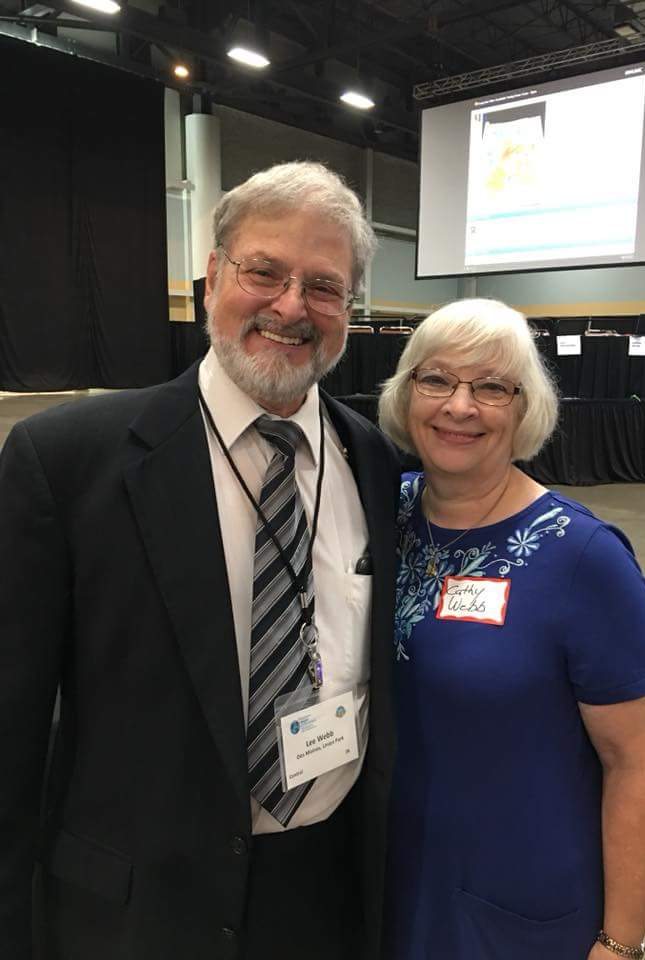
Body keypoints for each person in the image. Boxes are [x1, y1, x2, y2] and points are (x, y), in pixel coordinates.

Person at [0, 161, 400, 960]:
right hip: (137, 909)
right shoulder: (67, 460)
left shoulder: (374, 460)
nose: (291, 306)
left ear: (350, 309)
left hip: (327, 894)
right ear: (213, 276)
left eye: (324, 286)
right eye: (264, 272)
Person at [378, 299, 645, 960]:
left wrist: (620, 945)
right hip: (393, 881)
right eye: (436, 379)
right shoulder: (382, 514)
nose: (459, 406)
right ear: (406, 393)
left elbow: (640, 761)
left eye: (491, 387)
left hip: (518, 900)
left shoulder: (584, 557)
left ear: (524, 408)